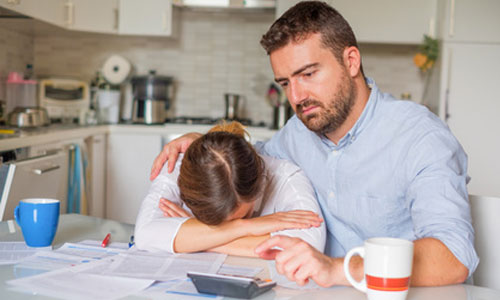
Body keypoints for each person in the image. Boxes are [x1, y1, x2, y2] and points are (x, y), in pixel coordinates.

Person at [149, 1, 478, 287]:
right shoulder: (297, 133)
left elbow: (452, 257)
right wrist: (202, 144)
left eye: (308, 74)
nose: (296, 97)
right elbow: (241, 163)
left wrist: (336, 268)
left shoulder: (420, 138)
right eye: (285, 82)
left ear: (351, 62)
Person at [135, 121, 326, 257]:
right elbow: (145, 234)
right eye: (216, 223)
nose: (232, 225)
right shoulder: (178, 166)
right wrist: (246, 227)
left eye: (242, 217)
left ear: (259, 184)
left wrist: (197, 238)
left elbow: (308, 247)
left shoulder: (287, 178)